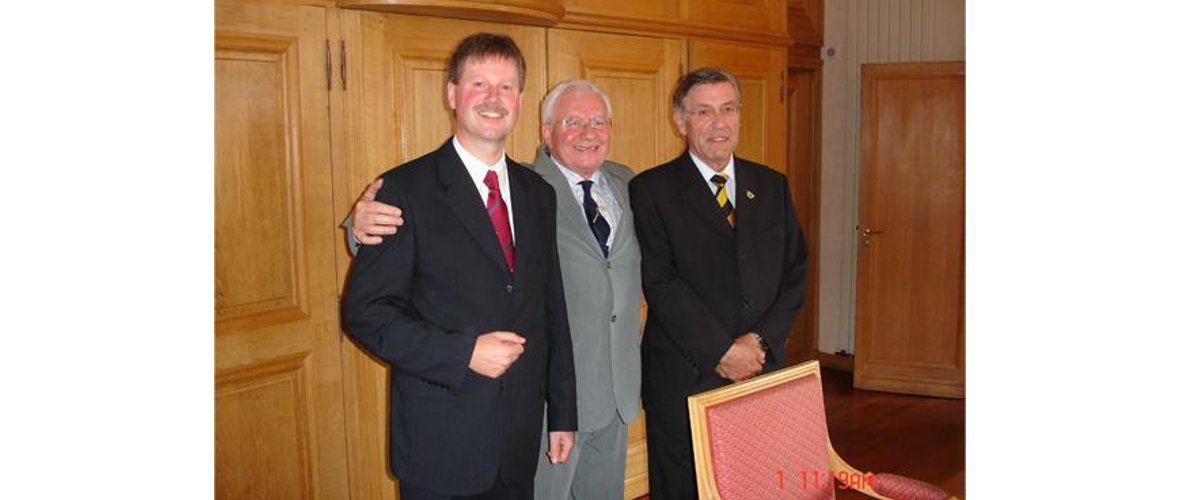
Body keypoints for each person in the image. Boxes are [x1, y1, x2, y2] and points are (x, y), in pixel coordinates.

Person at [348, 80, 642, 500]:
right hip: (525, 398)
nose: (588, 132)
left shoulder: (626, 182)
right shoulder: (526, 186)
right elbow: (442, 226)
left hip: (612, 392)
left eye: (598, 121)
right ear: (545, 132)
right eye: (572, 122)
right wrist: (358, 229)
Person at [342, 32, 577, 500]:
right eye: (479, 84)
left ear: (521, 100)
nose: (494, 99)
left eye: (506, 86)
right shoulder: (403, 191)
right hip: (441, 444)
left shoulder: (539, 194)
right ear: (452, 94)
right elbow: (365, 312)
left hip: (517, 437)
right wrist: (462, 353)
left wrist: (563, 412)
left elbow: (552, 308)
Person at [627, 67, 809, 499]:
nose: (719, 123)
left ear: (740, 115)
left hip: (761, 368)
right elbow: (660, 281)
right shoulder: (651, 190)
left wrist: (759, 342)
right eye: (703, 112)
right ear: (680, 120)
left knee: (758, 484)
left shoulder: (771, 185)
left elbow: (796, 270)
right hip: (686, 375)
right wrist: (722, 351)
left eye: (728, 109)